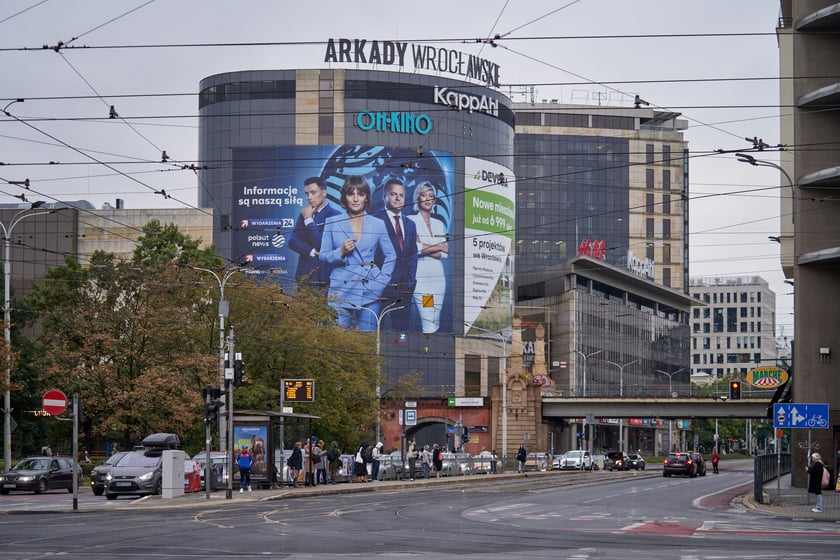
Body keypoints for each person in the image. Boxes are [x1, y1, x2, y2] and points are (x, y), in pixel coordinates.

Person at [319, 175, 396, 331]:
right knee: (337, 343)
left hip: (370, 290)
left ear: (366, 197)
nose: (355, 199)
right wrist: (340, 251)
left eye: (360, 194)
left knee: (367, 344)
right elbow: (323, 255)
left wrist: (381, 282)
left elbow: (391, 255)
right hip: (341, 290)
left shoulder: (378, 224)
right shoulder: (332, 222)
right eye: (350, 194)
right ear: (344, 197)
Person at [374, 178, 417, 330]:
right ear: (384, 197)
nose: (398, 198)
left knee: (401, 335)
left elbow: (413, 255)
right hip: (380, 289)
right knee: (375, 330)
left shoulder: (411, 224)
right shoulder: (374, 220)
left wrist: (411, 282)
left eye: (401, 195)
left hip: (404, 290)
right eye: (393, 194)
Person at [408, 181, 449, 333]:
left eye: (431, 196)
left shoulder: (439, 223)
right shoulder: (411, 221)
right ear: (418, 198)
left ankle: (431, 347)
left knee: (434, 318)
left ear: (434, 200)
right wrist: (438, 246)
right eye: (424, 195)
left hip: (438, 278)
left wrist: (426, 247)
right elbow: (416, 249)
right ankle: (428, 350)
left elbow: (445, 254)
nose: (427, 199)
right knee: (428, 317)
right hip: (423, 278)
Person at [288, 176, 340, 289]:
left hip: (325, 278)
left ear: (324, 193)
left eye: (313, 192)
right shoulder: (304, 214)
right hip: (305, 277)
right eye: (307, 194)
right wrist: (312, 251)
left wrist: (309, 220)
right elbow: (292, 241)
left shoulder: (336, 216)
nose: (309, 197)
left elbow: (322, 245)